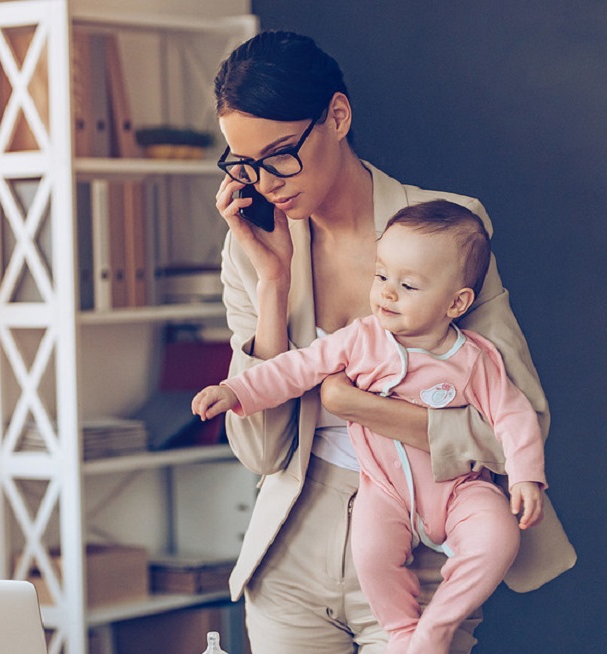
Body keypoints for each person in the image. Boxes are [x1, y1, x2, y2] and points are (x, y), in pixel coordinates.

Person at [210, 30, 576, 654]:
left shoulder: (451, 228)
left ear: (338, 116)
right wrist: (272, 284)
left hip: (424, 552)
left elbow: (516, 425)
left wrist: (361, 408)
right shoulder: (250, 253)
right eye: (243, 165)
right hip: (291, 555)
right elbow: (263, 454)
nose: (264, 183)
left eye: (278, 156)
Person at [195, 200, 546, 653]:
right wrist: (237, 391)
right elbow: (295, 368)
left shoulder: (473, 358)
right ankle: (402, 632)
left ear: (456, 302)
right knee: (371, 552)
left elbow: (513, 415)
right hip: (383, 490)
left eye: (408, 285)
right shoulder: (362, 339)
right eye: (381, 277)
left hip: (460, 488)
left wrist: (525, 477)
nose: (386, 293)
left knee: (498, 536)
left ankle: (435, 628)